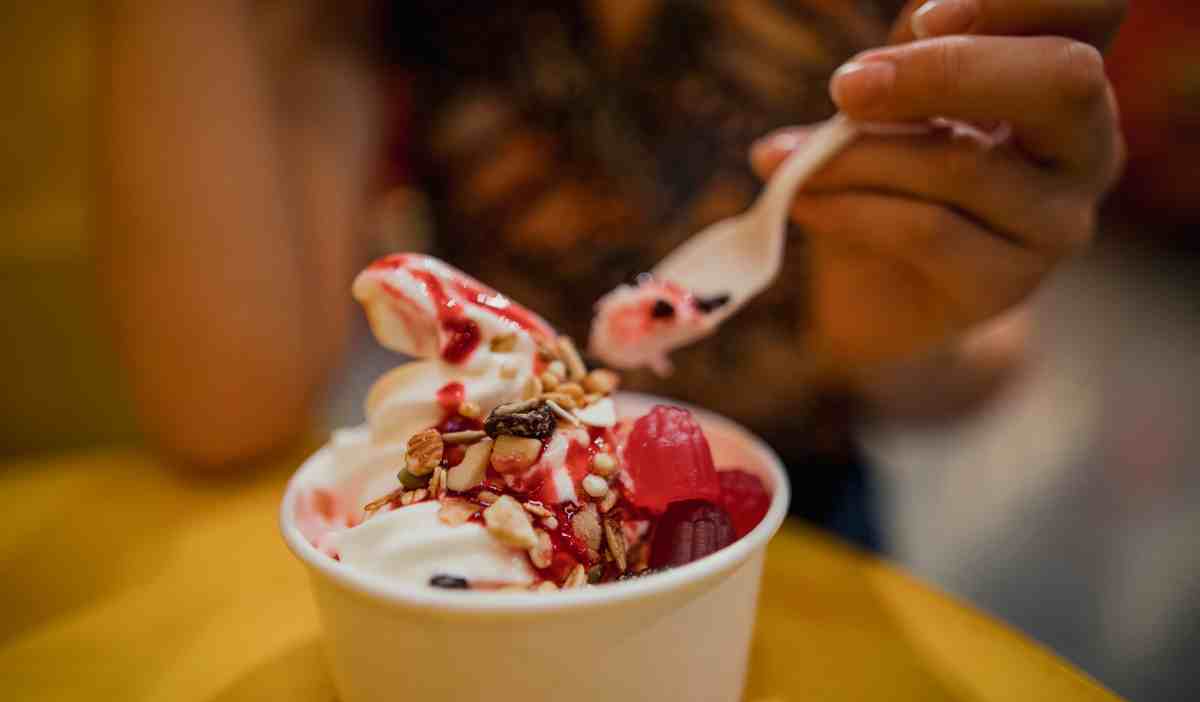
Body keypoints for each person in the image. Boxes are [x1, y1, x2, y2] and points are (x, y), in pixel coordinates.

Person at [101, 0, 1124, 538]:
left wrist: (904, 332)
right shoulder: (383, 22)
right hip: (490, 523)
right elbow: (219, 400)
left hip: (803, 517)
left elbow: (983, 366)